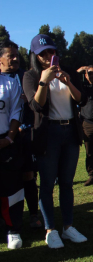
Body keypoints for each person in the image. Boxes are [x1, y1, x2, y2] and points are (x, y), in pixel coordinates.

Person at [23, 34, 87, 249]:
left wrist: (68, 82)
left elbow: (80, 99)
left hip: (70, 131)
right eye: (43, 53)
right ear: (35, 55)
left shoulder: (66, 72)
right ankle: (50, 230)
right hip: (48, 134)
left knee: (67, 184)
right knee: (47, 185)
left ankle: (68, 227)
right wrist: (44, 80)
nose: (49, 56)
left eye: (52, 51)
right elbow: (36, 106)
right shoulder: (31, 76)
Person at [0, 40, 42, 229]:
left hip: (26, 135)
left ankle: (33, 215)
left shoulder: (25, 76)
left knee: (28, 176)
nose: (16, 59)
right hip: (8, 137)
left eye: (18, 55)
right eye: (11, 56)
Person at [0, 68, 24, 249]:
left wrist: (9, 138)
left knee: (11, 188)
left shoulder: (10, 82)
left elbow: (16, 112)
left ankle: (13, 229)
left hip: (5, 141)